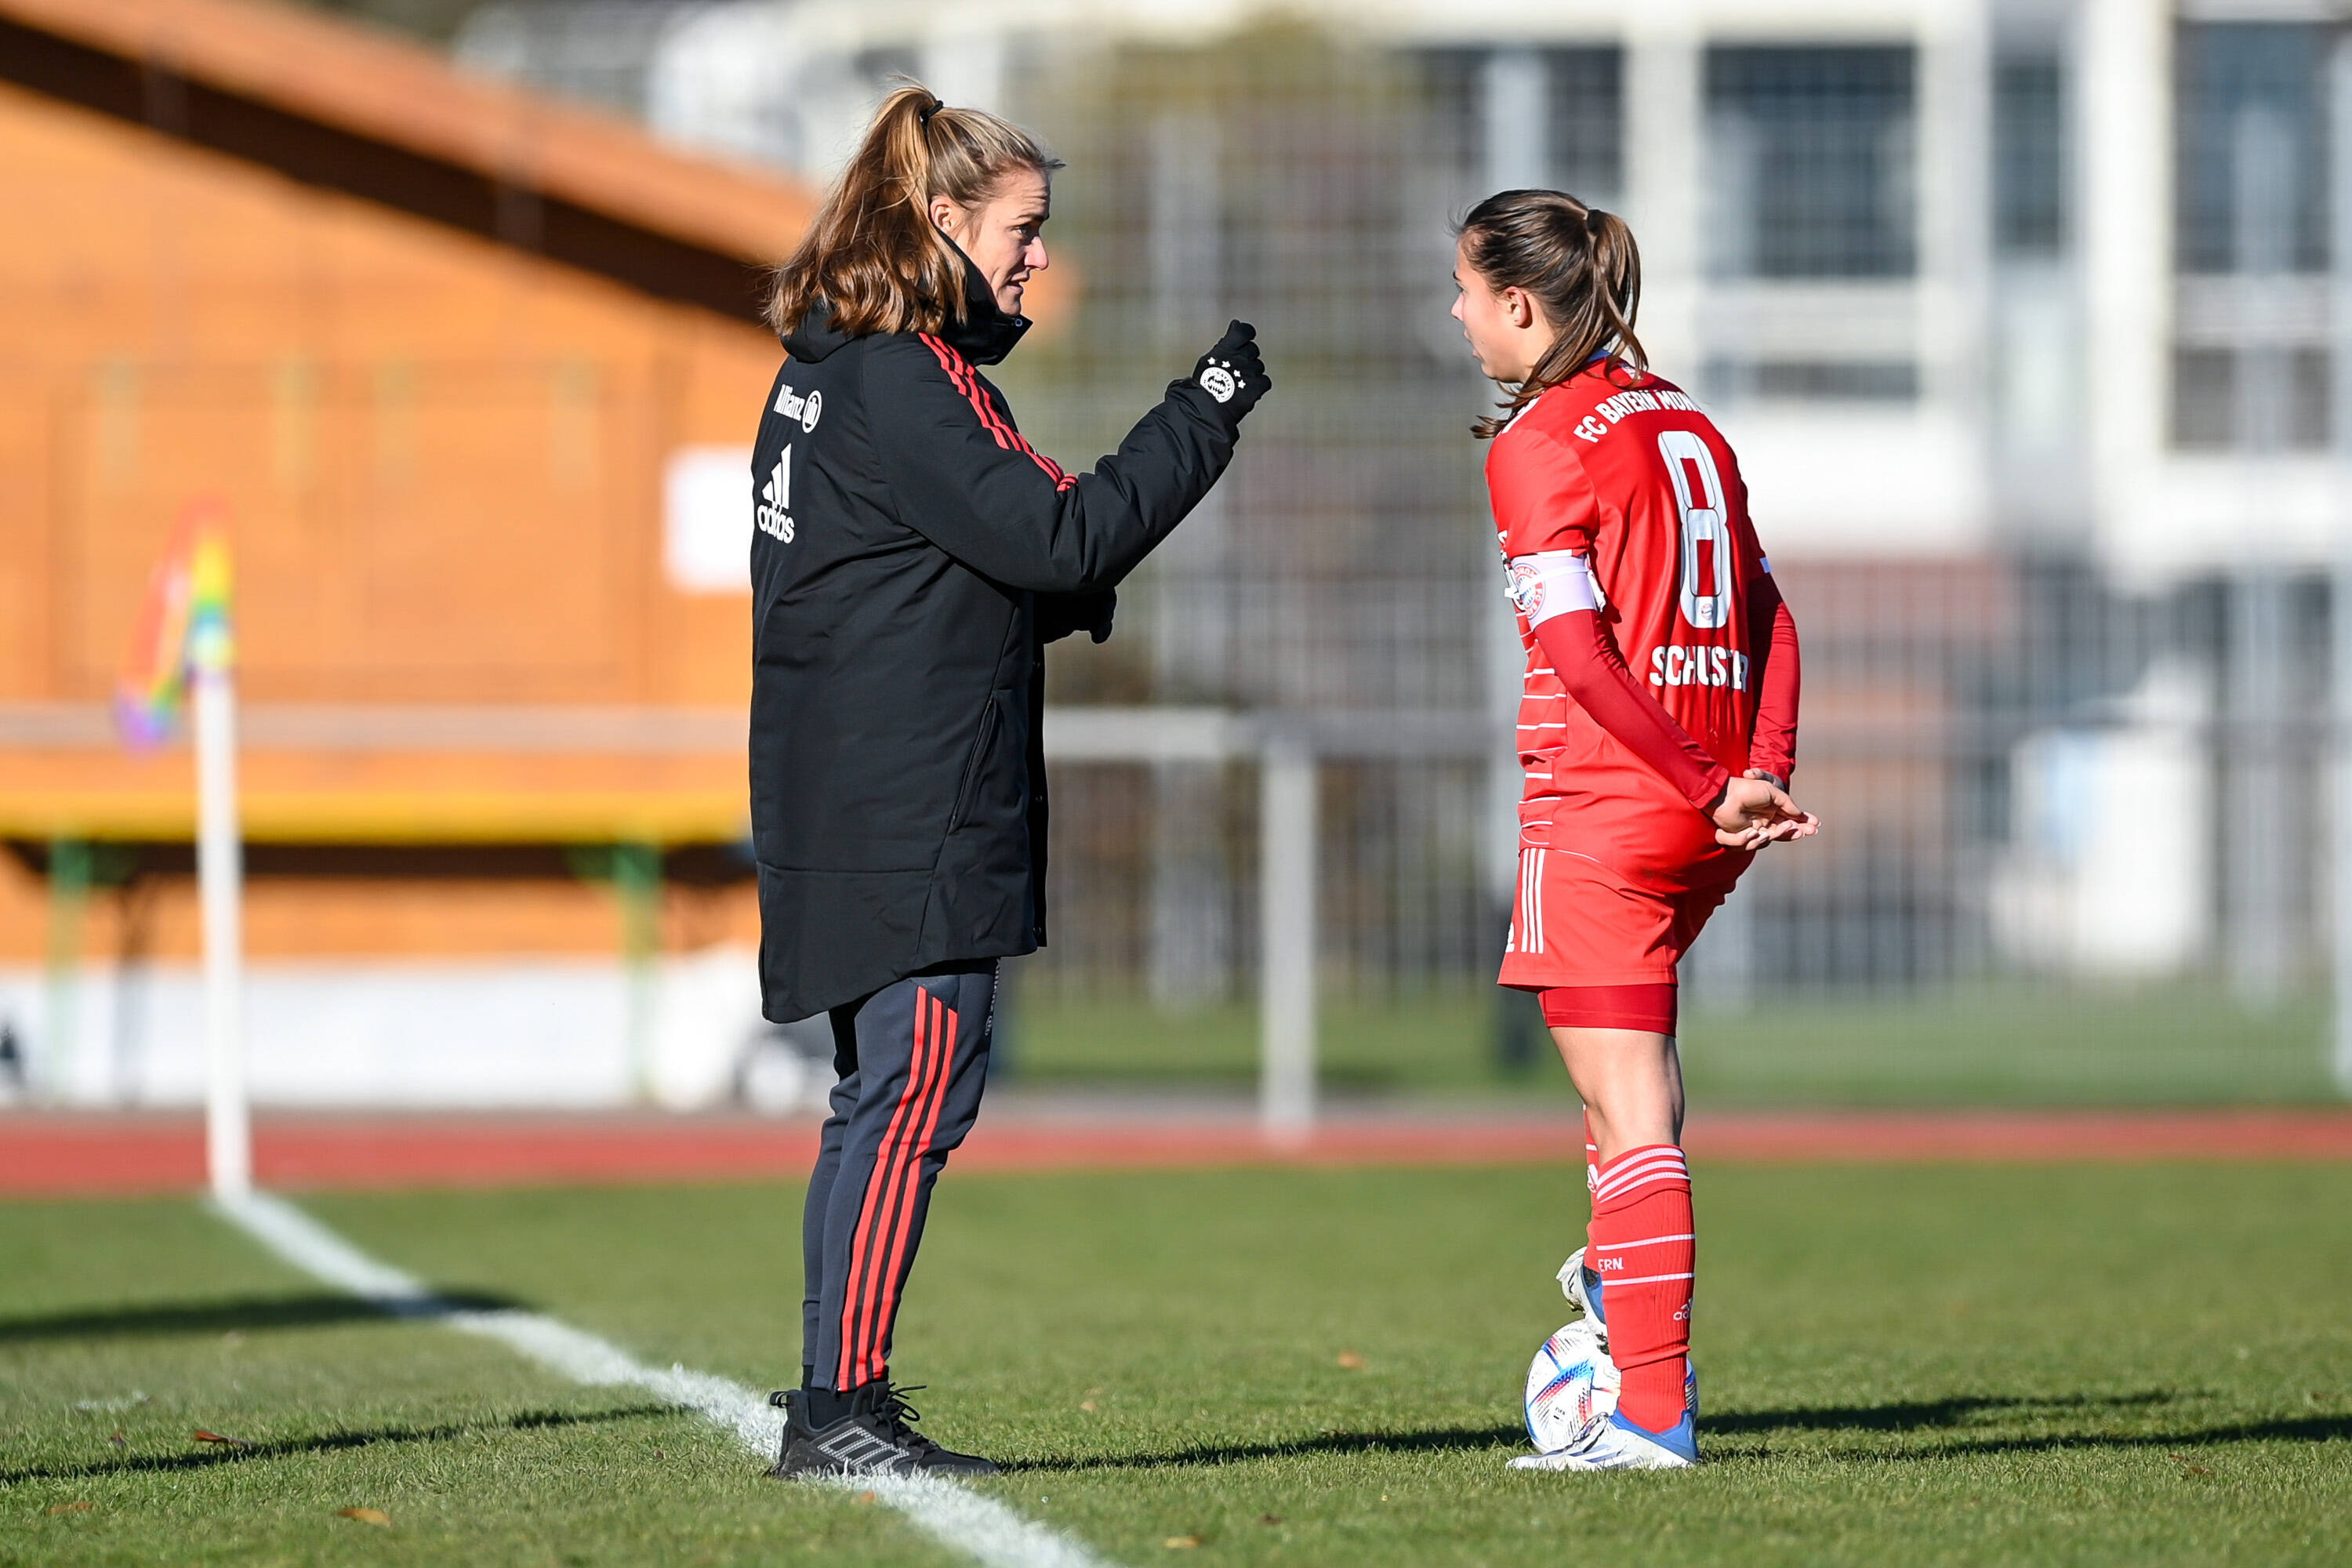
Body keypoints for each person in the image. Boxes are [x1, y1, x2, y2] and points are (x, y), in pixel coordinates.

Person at [748, 85, 1269, 1478]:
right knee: (909, 1092)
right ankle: (838, 1414)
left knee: (895, 1095)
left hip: (863, 798)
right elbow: (1057, 534)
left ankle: (841, 1399)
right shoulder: (896, 372)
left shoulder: (834, 366)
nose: (1038, 257)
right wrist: (1204, 408)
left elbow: (914, 579)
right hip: (904, 807)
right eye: (1023, 229)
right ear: (941, 221)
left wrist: (1054, 588)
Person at [1449, 189, 1817, 1471]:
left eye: (1467, 290)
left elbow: (1575, 650)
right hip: (1705, 806)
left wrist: (1692, 781)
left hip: (1610, 802)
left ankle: (1649, 1409)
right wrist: (1752, 772)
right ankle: (1620, 1300)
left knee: (1629, 1114)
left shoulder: (1538, 441)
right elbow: (1772, 612)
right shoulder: (1690, 425)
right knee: (1626, 1101)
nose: (1457, 313)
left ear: (1523, 304)